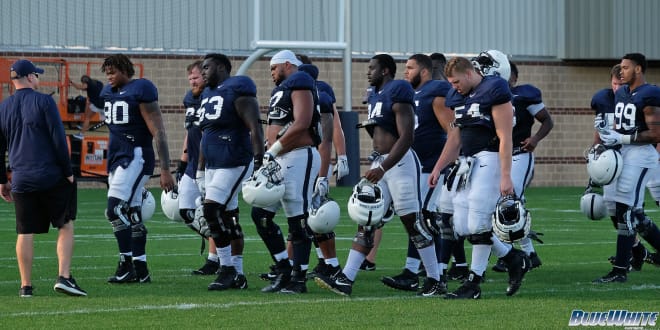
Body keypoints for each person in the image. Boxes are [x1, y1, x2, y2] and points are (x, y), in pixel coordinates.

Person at [315, 54, 443, 297]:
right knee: (367, 219)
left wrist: (383, 167)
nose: (368, 72)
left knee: (413, 224)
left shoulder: (398, 90)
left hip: (401, 164)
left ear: (385, 71)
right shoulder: (374, 95)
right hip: (382, 163)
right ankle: (346, 278)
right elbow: (379, 131)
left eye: (372, 68)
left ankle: (435, 280)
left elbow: (406, 137)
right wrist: (377, 160)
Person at [428, 52, 530, 299]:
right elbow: (455, 137)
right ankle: (513, 256)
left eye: (456, 82)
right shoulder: (459, 96)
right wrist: (439, 166)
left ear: (470, 73)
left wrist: (506, 175)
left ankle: (473, 283)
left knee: (477, 223)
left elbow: (505, 136)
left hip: (490, 159)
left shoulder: (494, 89)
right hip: (468, 163)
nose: (453, 88)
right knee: (461, 226)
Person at [0, 59, 87, 297]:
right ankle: (64, 277)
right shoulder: (44, 101)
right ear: (29, 77)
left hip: (20, 178)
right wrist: (69, 172)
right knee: (65, 224)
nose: (38, 78)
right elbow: (59, 140)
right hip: (50, 176)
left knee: (24, 231)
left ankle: (25, 286)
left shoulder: (3, 107)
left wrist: (2, 180)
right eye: (36, 75)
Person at [380, 53, 453, 293]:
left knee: (424, 218)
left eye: (410, 68)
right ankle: (415, 272)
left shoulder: (435, 90)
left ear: (424, 71)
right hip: (415, 167)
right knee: (417, 218)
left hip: (432, 166)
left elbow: (452, 130)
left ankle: (425, 273)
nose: (405, 72)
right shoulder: (411, 94)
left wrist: (448, 163)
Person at [250, 49, 321, 294]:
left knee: (297, 220)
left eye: (273, 68)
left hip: (299, 156)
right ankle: (283, 268)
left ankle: (298, 279)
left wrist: (276, 147)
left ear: (288, 65)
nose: (271, 73)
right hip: (279, 158)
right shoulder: (282, 88)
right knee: (260, 214)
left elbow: (302, 122)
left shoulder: (300, 80)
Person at [101, 54, 176, 284]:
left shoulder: (140, 89)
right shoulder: (108, 93)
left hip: (135, 156)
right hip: (117, 157)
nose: (109, 76)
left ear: (125, 69)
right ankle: (141, 268)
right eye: (107, 72)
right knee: (132, 212)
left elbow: (159, 132)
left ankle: (126, 265)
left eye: (113, 71)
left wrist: (165, 168)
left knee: (114, 209)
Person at [197, 53, 263, 291]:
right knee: (228, 217)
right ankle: (239, 274)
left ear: (223, 68)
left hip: (235, 160)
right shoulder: (207, 94)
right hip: (214, 164)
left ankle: (226, 269)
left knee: (211, 209)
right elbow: (206, 134)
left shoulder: (237, 89)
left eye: (207, 67)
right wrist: (200, 169)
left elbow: (254, 126)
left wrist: (259, 159)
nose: (203, 71)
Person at [593, 53, 660, 283]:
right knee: (629, 213)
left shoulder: (650, 93)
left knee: (626, 210)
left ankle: (620, 270)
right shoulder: (621, 92)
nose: (621, 71)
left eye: (626, 67)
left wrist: (622, 138)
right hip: (623, 153)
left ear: (639, 69)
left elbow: (656, 133)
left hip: (641, 155)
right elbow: (618, 126)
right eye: (620, 68)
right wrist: (610, 140)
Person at [491, 61, 554, 272]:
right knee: (512, 203)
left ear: (514, 78)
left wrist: (535, 139)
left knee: (508, 203)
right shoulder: (489, 96)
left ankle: (508, 254)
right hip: (498, 158)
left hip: (519, 155)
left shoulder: (523, 95)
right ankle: (530, 254)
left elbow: (547, 121)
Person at [175, 60, 220, 275]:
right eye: (190, 78)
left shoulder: (212, 97)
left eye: (196, 76)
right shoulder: (189, 99)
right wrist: (182, 162)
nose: (192, 80)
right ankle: (219, 244)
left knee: (210, 212)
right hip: (193, 163)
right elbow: (190, 132)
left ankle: (215, 258)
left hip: (211, 163)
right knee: (187, 212)